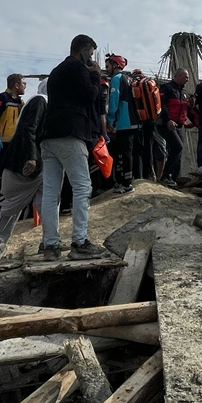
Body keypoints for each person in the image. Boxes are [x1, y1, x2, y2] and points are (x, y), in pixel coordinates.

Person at [39, 34, 109, 261]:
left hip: (49, 136)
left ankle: (50, 245)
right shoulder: (77, 67)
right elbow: (89, 95)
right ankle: (80, 242)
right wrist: (96, 75)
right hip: (71, 133)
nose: (92, 56)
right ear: (83, 50)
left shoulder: (57, 71)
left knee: (51, 192)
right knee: (81, 186)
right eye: (91, 51)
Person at [0, 79, 49, 250]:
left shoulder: (28, 102)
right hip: (22, 163)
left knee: (47, 203)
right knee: (11, 207)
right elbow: (29, 129)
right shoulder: (40, 101)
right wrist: (31, 157)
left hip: (34, 164)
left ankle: (50, 241)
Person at [0, 74, 27, 224]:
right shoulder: (1, 98)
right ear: (16, 85)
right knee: (0, 180)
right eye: (23, 83)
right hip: (0, 144)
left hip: (13, 145)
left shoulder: (20, 102)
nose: (25, 85)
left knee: (13, 180)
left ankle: (9, 215)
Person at [104, 54, 138, 194]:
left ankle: (126, 184)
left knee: (124, 153)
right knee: (122, 152)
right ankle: (121, 181)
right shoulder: (126, 79)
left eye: (107, 66)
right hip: (130, 122)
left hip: (124, 122)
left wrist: (110, 120)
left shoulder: (116, 79)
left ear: (116, 65)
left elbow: (113, 102)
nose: (106, 69)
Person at [128, 68, 164, 181]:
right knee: (149, 147)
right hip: (152, 119)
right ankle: (148, 174)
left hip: (139, 120)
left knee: (138, 148)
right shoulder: (149, 82)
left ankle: (138, 175)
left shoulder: (133, 84)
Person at [158, 68, 191, 184]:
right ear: (179, 76)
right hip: (166, 124)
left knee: (179, 151)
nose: (188, 80)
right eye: (186, 77)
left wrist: (195, 122)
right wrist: (168, 120)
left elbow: (187, 109)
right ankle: (165, 176)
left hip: (179, 125)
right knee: (177, 146)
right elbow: (162, 106)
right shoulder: (167, 88)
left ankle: (174, 179)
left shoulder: (183, 93)